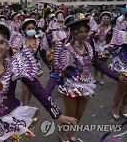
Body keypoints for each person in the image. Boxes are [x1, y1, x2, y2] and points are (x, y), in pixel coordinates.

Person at [49, 13, 127, 142]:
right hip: (70, 85)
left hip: (86, 84)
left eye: (86, 31)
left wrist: (116, 76)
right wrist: (46, 93)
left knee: (79, 115)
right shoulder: (65, 49)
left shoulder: (89, 46)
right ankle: (62, 132)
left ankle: (72, 133)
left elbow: (98, 64)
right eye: (80, 32)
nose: (84, 34)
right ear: (72, 33)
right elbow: (56, 72)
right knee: (70, 115)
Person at [9, 18, 49, 106]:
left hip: (35, 67)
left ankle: (28, 104)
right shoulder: (20, 41)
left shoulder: (38, 40)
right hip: (24, 67)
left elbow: (43, 54)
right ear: (24, 30)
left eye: (33, 28)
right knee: (24, 89)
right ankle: (23, 105)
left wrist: (49, 65)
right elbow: (14, 53)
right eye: (29, 29)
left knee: (32, 88)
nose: (31, 30)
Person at [106, 29, 127, 119]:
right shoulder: (121, 34)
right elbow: (112, 50)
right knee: (121, 89)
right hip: (122, 66)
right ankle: (115, 107)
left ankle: (124, 107)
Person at [92, 11, 113, 84]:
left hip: (105, 46)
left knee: (103, 63)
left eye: (108, 18)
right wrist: (95, 36)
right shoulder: (96, 27)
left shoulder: (111, 28)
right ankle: (95, 77)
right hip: (96, 46)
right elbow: (92, 36)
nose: (106, 19)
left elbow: (113, 38)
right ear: (101, 19)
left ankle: (102, 77)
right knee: (95, 62)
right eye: (104, 18)